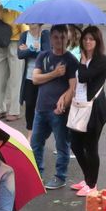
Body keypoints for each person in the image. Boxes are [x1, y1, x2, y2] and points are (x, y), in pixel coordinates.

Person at [30, 25, 79, 190]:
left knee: (61, 144)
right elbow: (35, 79)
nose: (59, 41)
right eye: (56, 37)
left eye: (63, 37)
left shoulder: (71, 60)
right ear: (51, 38)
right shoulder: (43, 56)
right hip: (41, 108)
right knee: (36, 143)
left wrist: (63, 104)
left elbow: (73, 88)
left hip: (58, 112)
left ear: (67, 38)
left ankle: (60, 176)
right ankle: (37, 173)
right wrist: (55, 74)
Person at [68, 26, 106, 196]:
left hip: (94, 109)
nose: (87, 42)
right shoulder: (82, 59)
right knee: (76, 145)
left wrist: (83, 63)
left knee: (91, 147)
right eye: (85, 39)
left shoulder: (101, 60)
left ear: (97, 41)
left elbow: (84, 76)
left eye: (91, 39)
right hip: (79, 106)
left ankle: (92, 185)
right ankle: (87, 177)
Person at [0, 6, 25, 121]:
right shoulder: (0, 8)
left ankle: (14, 111)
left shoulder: (18, 11)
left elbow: (24, 30)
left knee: (15, 79)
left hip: (15, 44)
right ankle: (0, 109)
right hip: (1, 44)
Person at [18, 23, 49, 131]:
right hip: (28, 77)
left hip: (42, 76)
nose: (32, 23)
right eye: (30, 21)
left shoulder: (45, 34)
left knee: (41, 106)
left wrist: (27, 50)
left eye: (34, 21)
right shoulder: (24, 35)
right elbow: (20, 55)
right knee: (30, 105)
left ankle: (40, 131)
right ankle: (30, 131)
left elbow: (46, 54)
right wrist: (32, 49)